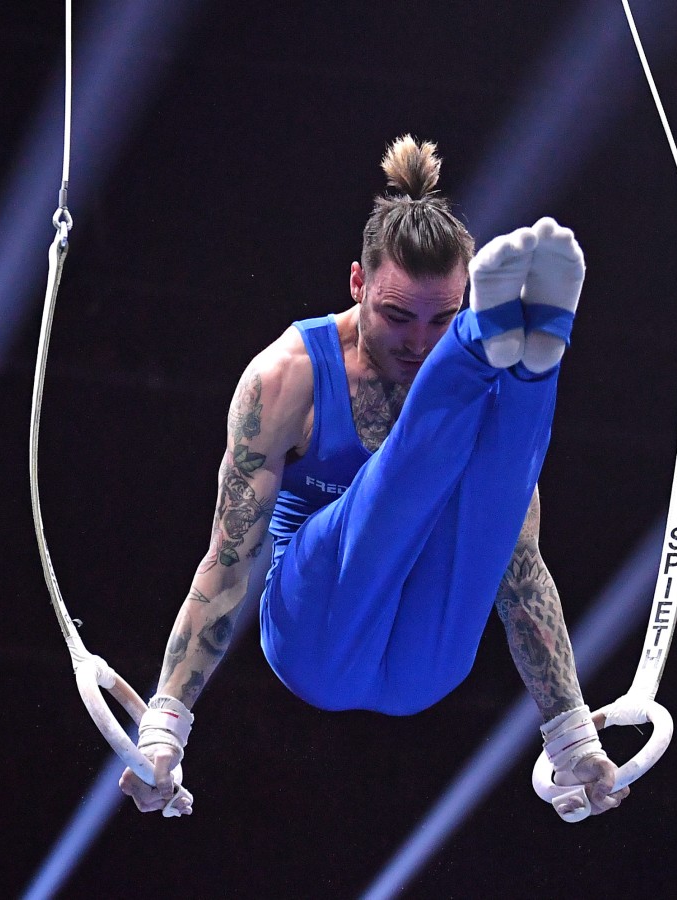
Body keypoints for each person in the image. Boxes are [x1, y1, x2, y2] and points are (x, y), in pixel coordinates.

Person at [119, 135, 628, 820]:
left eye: (443, 319)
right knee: (392, 492)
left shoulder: (421, 355)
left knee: (489, 504)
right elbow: (228, 561)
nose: (417, 342)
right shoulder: (288, 378)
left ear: (464, 293)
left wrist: (571, 737)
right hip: (315, 631)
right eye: (397, 316)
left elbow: (516, 569)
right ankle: (482, 348)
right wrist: (165, 726)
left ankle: (536, 362)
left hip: (427, 666)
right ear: (358, 284)